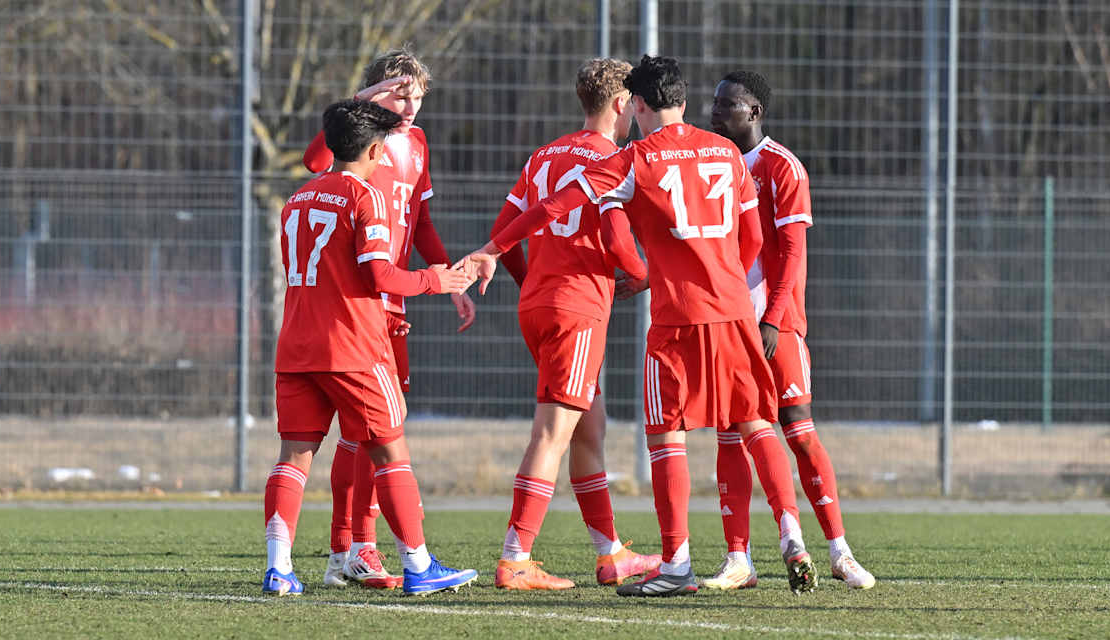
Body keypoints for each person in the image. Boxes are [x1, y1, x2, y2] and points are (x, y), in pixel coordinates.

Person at [460, 55, 818, 597]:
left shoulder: (633, 158)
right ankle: (792, 535)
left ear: (643, 105)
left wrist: (494, 248)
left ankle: (674, 562)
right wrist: (715, 270)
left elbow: (556, 206)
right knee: (756, 421)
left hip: (673, 317)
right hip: (733, 310)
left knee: (664, 435)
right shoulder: (727, 152)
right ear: (686, 100)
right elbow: (753, 241)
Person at [263, 99, 478, 597]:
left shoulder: (296, 200)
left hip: (296, 347)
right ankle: (419, 566)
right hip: (353, 346)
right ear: (376, 149)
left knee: (293, 458)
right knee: (391, 450)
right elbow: (378, 275)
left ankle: (280, 568)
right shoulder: (366, 197)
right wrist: (436, 279)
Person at [487, 58, 660, 591]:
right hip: (577, 307)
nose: (634, 110)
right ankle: (516, 557)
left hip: (540, 303)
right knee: (553, 431)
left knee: (590, 425)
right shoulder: (612, 158)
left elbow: (505, 229)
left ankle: (610, 552)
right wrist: (644, 275)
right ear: (618, 104)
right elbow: (616, 242)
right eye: (631, 101)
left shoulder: (545, 154)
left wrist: (532, 280)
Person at [705, 70, 875, 590]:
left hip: (775, 325)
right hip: (729, 322)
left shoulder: (782, 167)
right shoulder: (713, 162)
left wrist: (774, 319)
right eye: (712, 105)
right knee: (731, 433)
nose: (714, 114)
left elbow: (794, 255)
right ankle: (739, 558)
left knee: (799, 432)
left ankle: (840, 551)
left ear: (754, 112)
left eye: (726, 105)